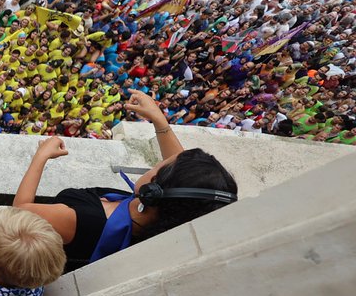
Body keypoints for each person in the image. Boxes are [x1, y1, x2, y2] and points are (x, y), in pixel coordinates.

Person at [13, 91, 239, 273]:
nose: (161, 161)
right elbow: (186, 185)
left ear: (153, 189)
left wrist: (40, 157)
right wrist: (159, 120)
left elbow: (19, 213)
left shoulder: (83, 218)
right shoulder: (157, 221)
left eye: (162, 165)